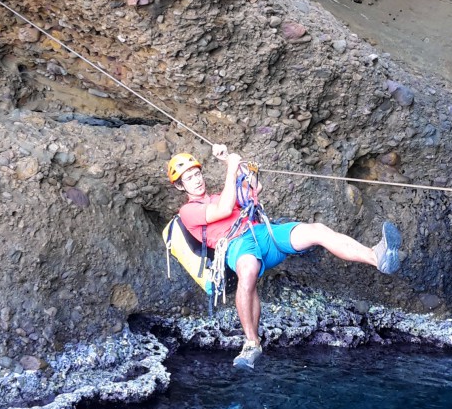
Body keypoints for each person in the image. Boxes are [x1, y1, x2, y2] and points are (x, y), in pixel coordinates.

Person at [168, 145, 403, 369]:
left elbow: (253, 188)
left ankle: (377, 256)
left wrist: (232, 160)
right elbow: (224, 210)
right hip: (236, 245)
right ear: (180, 187)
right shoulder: (188, 212)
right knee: (247, 273)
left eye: (197, 174)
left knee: (317, 230)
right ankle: (251, 343)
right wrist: (229, 166)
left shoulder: (221, 194)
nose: (196, 180)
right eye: (189, 178)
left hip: (263, 234)